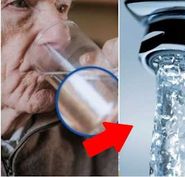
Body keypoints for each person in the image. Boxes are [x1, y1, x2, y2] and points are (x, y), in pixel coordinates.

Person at [1, 0, 118, 175]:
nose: (63, 36)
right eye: (20, 3)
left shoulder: (83, 111)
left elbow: (103, 151)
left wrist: (147, 115)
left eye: (61, 7)